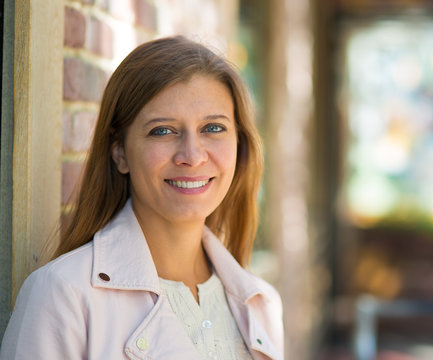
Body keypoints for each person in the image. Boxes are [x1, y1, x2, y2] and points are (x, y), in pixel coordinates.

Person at [0, 36, 283, 360]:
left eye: (213, 128)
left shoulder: (263, 305)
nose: (191, 155)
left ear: (239, 144)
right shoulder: (63, 295)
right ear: (119, 152)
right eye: (162, 130)